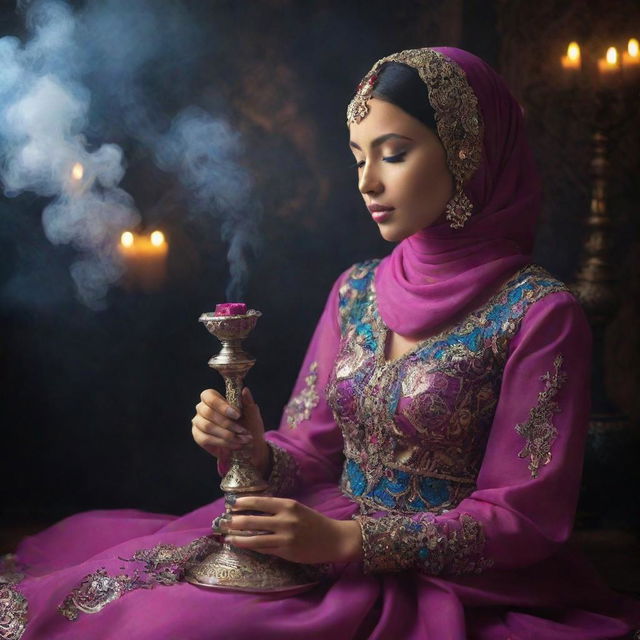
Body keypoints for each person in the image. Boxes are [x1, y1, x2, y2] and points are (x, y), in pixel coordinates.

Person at [2, 46, 639, 640]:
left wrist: (349, 543)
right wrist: (252, 447)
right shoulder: (356, 289)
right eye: (358, 156)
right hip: (317, 530)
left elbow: (523, 518)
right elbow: (309, 449)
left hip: (450, 578)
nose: (366, 182)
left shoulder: (538, 313)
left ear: (467, 151)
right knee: (124, 598)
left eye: (393, 153)